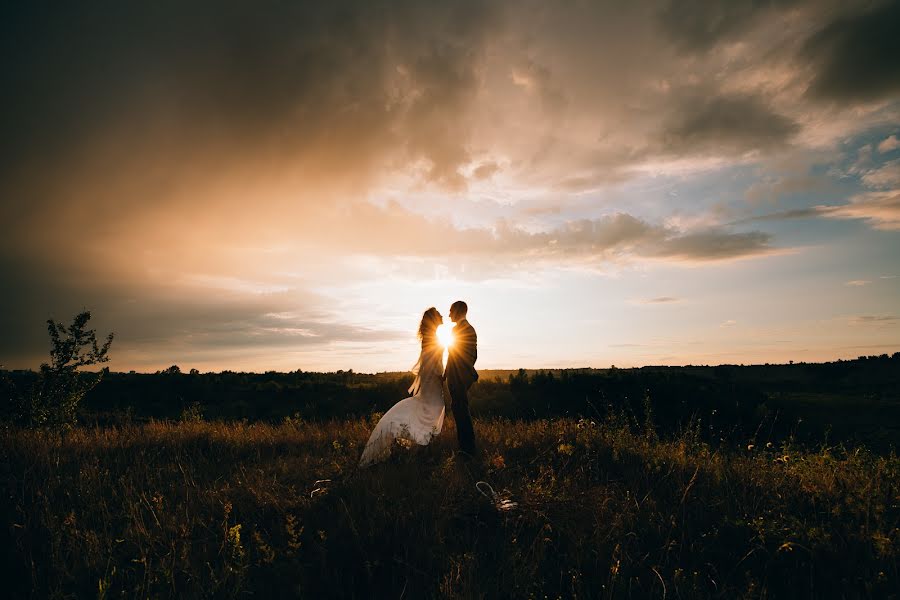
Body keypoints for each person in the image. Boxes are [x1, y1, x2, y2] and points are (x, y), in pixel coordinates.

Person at [359, 307, 447, 467]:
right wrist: (444, 376)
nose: (442, 315)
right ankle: (422, 452)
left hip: (431, 383)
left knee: (430, 413)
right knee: (432, 412)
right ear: (434, 319)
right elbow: (435, 364)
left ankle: (423, 451)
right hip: (433, 383)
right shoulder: (432, 339)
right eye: (439, 314)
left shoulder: (430, 337)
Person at [444, 300, 478, 455]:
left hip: (459, 377)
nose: (449, 313)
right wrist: (446, 374)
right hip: (457, 376)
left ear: (458, 311)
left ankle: (467, 449)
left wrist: (460, 376)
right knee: (459, 409)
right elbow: (454, 354)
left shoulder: (462, 329)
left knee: (460, 410)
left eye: (451, 310)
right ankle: (465, 447)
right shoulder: (466, 329)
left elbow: (468, 356)